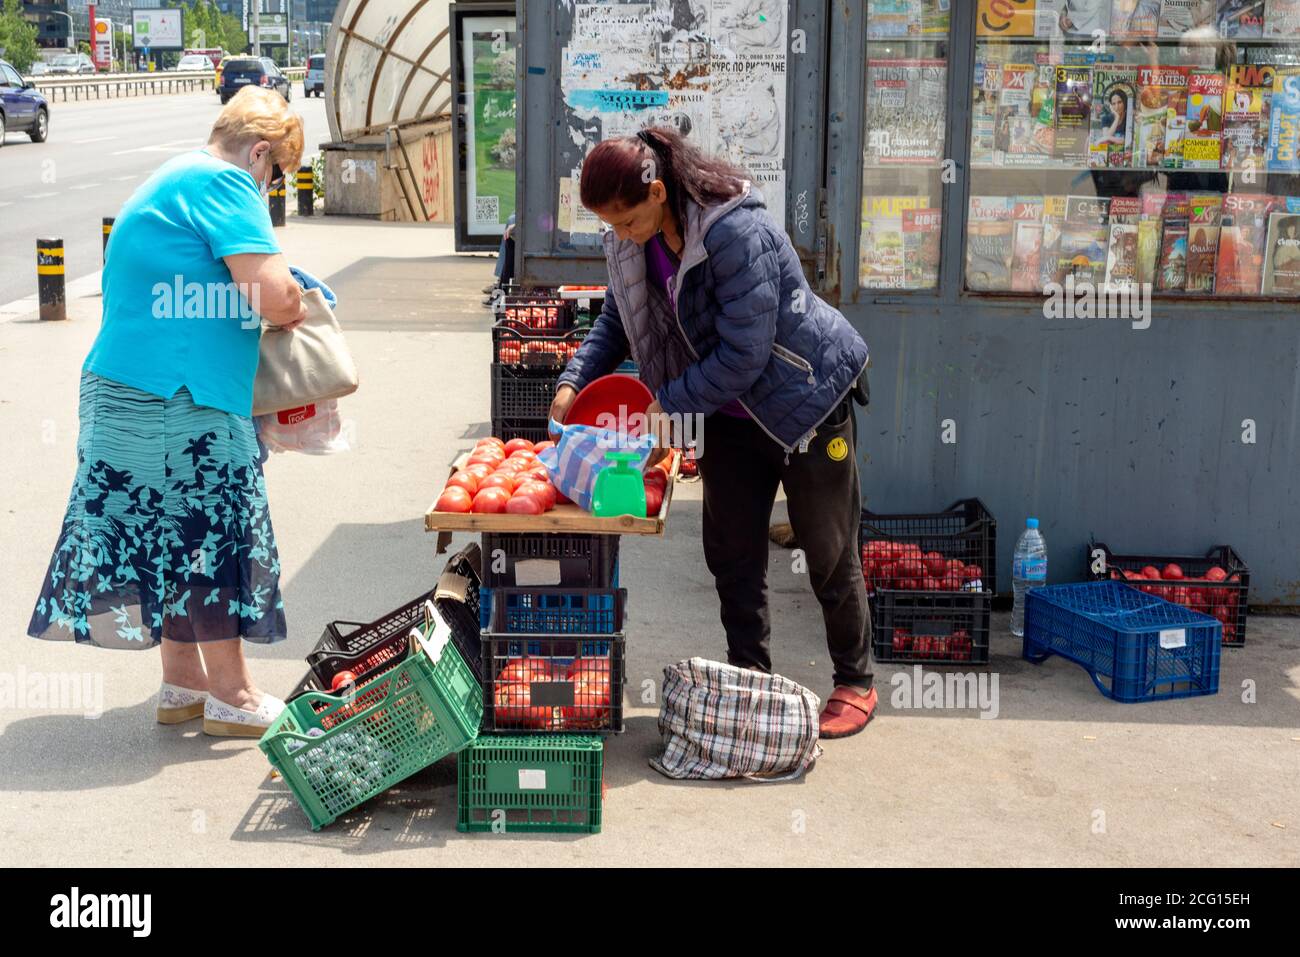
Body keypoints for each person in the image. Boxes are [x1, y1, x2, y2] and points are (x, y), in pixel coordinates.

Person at [550, 126, 876, 737]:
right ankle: (750, 675)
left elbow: (745, 356)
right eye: (610, 227)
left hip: (802, 398)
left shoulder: (732, 232)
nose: (618, 236)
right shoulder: (633, 241)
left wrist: (667, 403)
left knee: (827, 547)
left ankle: (855, 679)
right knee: (731, 550)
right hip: (725, 412)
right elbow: (622, 316)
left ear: (656, 192)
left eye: (624, 221)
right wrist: (574, 378)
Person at [27, 87, 306, 738]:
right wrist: (295, 300)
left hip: (123, 390)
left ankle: (184, 684)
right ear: (259, 152)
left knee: (166, 541)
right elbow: (273, 294)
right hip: (179, 401)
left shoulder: (172, 177)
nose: (269, 189)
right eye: (275, 174)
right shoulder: (224, 184)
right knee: (212, 536)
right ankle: (233, 695)